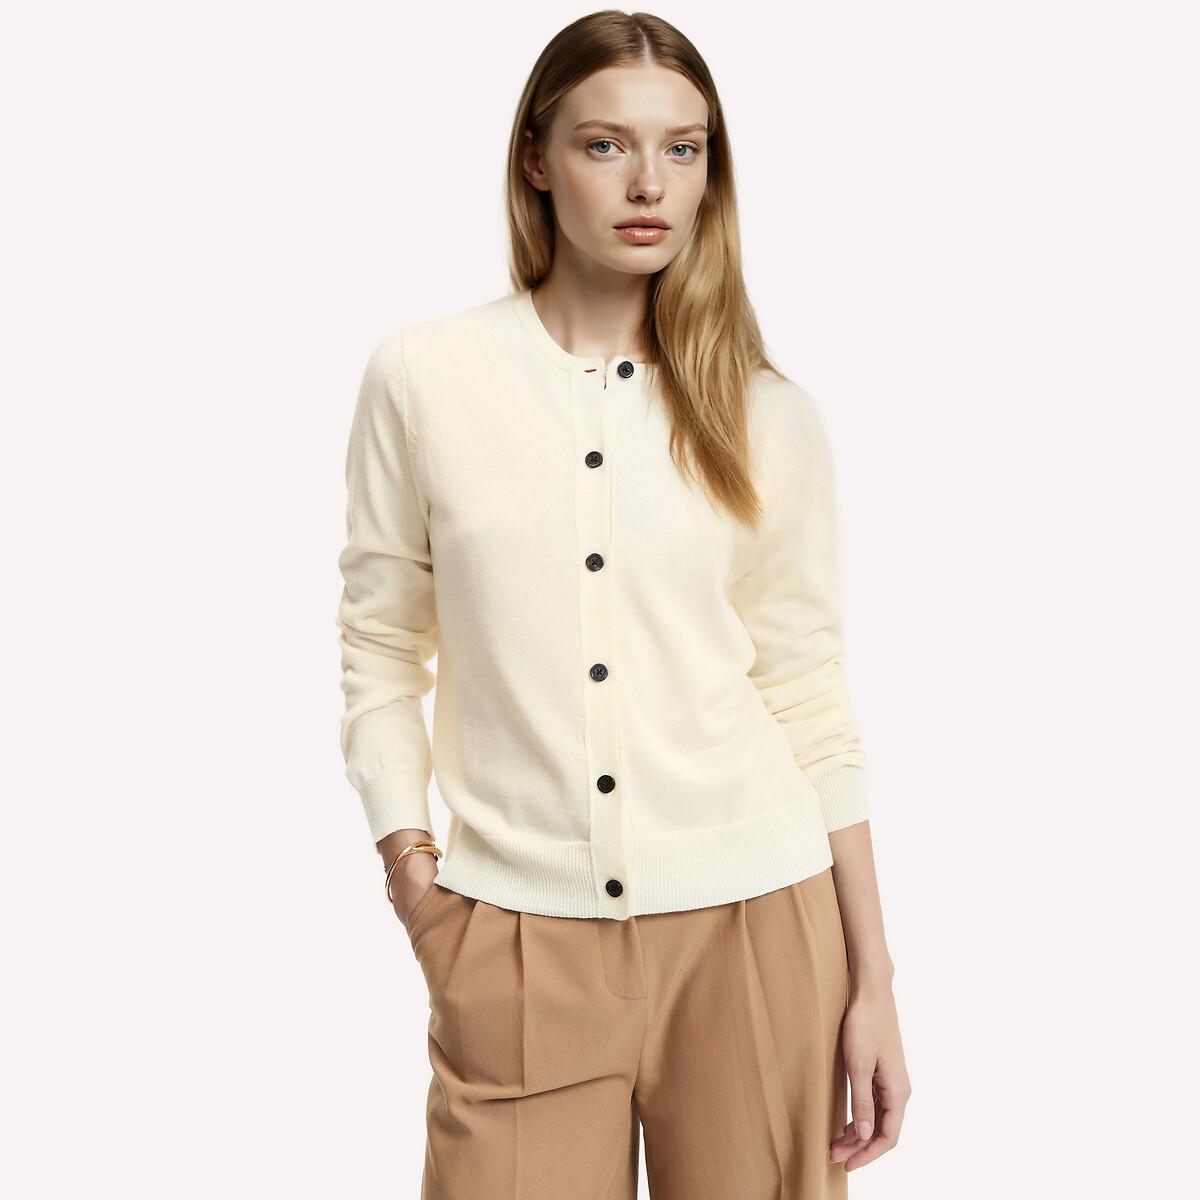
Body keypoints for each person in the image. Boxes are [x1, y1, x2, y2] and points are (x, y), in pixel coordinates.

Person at [335, 10, 910, 1198]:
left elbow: (807, 691)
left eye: (682, 148)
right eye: (607, 145)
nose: (650, 183)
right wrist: (410, 868)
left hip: (756, 929)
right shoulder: (425, 379)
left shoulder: (768, 412)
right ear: (537, 160)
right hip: (514, 936)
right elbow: (381, 644)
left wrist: (874, 981)